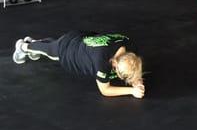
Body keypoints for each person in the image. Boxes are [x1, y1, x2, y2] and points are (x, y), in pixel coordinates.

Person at [12, 31, 145, 99]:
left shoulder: (129, 45)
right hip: (70, 51)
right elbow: (105, 90)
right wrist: (132, 91)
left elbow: (133, 66)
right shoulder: (102, 62)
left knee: (54, 45)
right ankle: (23, 46)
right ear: (114, 65)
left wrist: (136, 80)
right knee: (52, 53)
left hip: (82, 36)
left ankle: (35, 43)